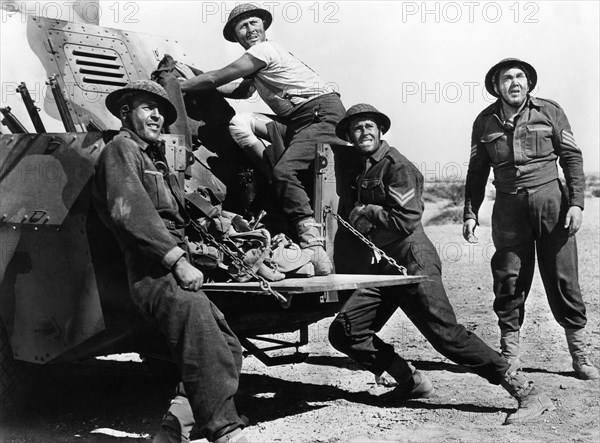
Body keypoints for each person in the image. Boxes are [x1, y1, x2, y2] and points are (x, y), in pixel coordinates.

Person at [328, 103, 555, 425]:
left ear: (380, 131)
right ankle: (410, 381)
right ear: (351, 136)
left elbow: (406, 219)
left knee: (446, 336)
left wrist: (365, 212)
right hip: (385, 265)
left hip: (412, 261)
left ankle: (527, 391)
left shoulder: (398, 166)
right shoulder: (364, 168)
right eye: (356, 129)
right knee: (346, 331)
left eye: (368, 127)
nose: (363, 133)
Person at [92, 80, 247, 443]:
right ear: (126, 112)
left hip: (170, 267)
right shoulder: (121, 151)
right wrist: (177, 261)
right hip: (153, 271)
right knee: (204, 339)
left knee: (228, 345)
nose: (157, 115)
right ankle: (224, 429)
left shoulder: (150, 157)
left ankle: (175, 427)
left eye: (160, 110)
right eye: (147, 107)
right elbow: (131, 215)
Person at [179, 3, 347, 275]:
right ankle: (273, 178)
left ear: (264, 26)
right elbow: (239, 91)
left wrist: (177, 85)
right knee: (240, 122)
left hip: (321, 115)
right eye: (242, 27)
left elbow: (217, 78)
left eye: (254, 23)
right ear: (237, 36)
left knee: (286, 171)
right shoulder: (256, 65)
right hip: (298, 121)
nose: (250, 29)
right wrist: (197, 75)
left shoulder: (264, 51)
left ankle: (312, 244)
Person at [462, 58, 599, 380]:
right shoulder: (484, 121)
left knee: (564, 278)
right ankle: (510, 353)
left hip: (552, 204)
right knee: (508, 280)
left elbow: (571, 158)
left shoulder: (550, 111)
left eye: (519, 76)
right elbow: (477, 171)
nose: (514, 82)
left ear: (528, 82)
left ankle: (580, 354)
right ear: (496, 86)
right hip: (509, 208)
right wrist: (470, 212)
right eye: (506, 78)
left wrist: (576, 204)